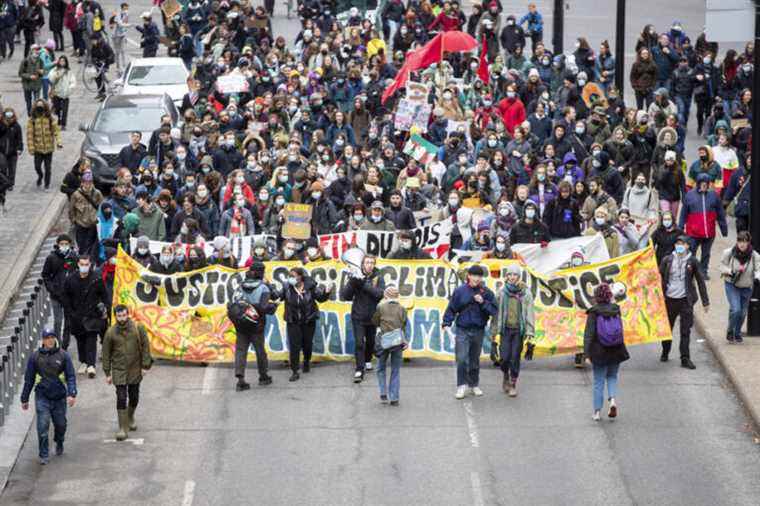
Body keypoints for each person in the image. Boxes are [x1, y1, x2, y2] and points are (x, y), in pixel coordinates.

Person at [20, 329, 77, 465]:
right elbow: (29, 379)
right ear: (43, 340)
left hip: (59, 397)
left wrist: (72, 393)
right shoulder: (35, 357)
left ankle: (59, 441)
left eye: (52, 337)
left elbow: (70, 376)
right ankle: (44, 454)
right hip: (42, 396)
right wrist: (24, 398)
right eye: (47, 338)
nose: (50, 340)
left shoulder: (63, 355)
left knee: (61, 424)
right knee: (42, 426)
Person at [443, 265, 497, 399]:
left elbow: (494, 311)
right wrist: (446, 322)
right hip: (462, 329)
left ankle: (473, 384)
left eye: (479, 276)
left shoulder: (487, 292)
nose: (477, 278)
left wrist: (483, 302)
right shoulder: (460, 291)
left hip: (478, 330)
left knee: (474, 360)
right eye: (474, 275)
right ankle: (461, 385)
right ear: (469, 276)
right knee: (461, 359)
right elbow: (452, 308)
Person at [102, 305, 152, 441]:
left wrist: (145, 366)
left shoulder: (138, 328)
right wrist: (107, 373)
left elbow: (146, 346)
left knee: (134, 396)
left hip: (135, 368)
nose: (122, 318)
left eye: (124, 315)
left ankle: (130, 417)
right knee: (121, 397)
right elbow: (105, 353)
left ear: (128, 314)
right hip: (119, 370)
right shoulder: (110, 333)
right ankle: (122, 428)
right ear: (115, 317)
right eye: (119, 316)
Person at [659, 235, 709, 369]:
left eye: (682, 244)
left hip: (686, 300)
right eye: (677, 243)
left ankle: (685, 358)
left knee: (685, 330)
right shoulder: (667, 260)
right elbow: (658, 277)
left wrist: (705, 301)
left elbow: (700, 281)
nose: (679, 246)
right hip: (669, 300)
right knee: (667, 329)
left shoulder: (692, 261)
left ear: (687, 246)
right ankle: (665, 351)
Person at [227, 263, 276, 391]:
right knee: (260, 350)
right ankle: (263, 376)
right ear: (261, 273)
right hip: (256, 325)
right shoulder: (263, 288)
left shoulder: (240, 286)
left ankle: (240, 379)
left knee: (241, 351)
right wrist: (273, 307)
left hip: (241, 325)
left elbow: (234, 303)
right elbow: (263, 307)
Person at [583, 283, 629, 422]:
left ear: (596, 297)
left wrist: (586, 354)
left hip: (599, 351)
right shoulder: (616, 309)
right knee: (612, 376)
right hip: (616, 349)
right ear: (610, 295)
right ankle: (613, 400)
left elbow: (589, 334)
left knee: (598, 382)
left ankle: (597, 412)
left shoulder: (594, 312)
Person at [277, 267, 332, 381]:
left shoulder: (310, 287)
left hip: (308, 320)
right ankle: (295, 370)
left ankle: (306, 360)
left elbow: (320, 298)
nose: (291, 278)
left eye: (294, 276)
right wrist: (268, 286)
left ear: (300, 277)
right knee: (294, 346)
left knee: (307, 344)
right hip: (293, 321)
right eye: (290, 276)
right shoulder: (287, 287)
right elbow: (277, 296)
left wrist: (327, 292)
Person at [490, 263, 534, 398]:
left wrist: (530, 332)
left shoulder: (525, 293)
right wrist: (494, 331)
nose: (512, 277)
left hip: (518, 331)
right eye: (510, 274)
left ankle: (513, 383)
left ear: (519, 276)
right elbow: (495, 312)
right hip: (505, 330)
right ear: (507, 276)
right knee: (504, 358)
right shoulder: (502, 293)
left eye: (515, 274)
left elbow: (529, 313)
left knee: (515, 358)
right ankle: (505, 375)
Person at [340, 254, 385, 383]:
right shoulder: (356, 277)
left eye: (372, 262)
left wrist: (363, 284)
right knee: (360, 343)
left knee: (370, 342)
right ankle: (359, 369)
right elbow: (346, 296)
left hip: (373, 316)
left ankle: (367, 359)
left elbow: (378, 294)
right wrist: (353, 282)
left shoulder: (378, 277)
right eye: (367, 262)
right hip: (358, 316)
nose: (369, 265)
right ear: (362, 264)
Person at [62, 255, 108, 377]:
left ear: (90, 265)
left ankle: (91, 365)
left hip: (92, 314)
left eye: (86, 264)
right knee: (80, 340)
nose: (84, 267)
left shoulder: (96, 279)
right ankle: (83, 361)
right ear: (78, 265)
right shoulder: (70, 280)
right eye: (82, 264)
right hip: (76, 316)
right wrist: (70, 312)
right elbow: (65, 297)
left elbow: (104, 294)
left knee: (91, 339)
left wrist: (105, 308)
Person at [679, 172, 728, 279]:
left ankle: (703, 271)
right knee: (691, 253)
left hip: (709, 233)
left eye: (706, 184)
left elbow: (720, 213)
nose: (704, 186)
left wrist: (724, 229)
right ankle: (690, 271)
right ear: (698, 184)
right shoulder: (690, 195)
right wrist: (680, 227)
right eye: (702, 184)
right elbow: (683, 213)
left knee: (706, 254)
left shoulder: (714, 196)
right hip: (693, 232)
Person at [720, 231, 760, 343]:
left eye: (744, 241)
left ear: (748, 243)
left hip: (747, 287)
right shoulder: (729, 252)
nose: (742, 244)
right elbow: (722, 266)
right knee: (736, 309)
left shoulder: (754, 256)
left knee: (742, 313)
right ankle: (730, 331)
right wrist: (730, 271)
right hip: (731, 284)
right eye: (739, 241)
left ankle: (737, 333)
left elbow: (758, 269)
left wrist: (757, 277)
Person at [371, 285, 409, 406]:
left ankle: (383, 393)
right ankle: (394, 397)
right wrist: (405, 341)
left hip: (384, 341)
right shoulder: (403, 309)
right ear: (397, 296)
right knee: (395, 370)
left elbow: (375, 321)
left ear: (386, 295)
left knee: (381, 368)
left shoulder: (380, 307)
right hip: (397, 341)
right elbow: (403, 326)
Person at [42, 234, 78, 350]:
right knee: (58, 321)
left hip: (69, 295)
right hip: (56, 295)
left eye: (66, 244)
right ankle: (57, 343)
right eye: (61, 244)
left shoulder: (73, 257)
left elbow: (77, 272)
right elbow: (45, 275)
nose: (64, 246)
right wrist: (52, 289)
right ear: (57, 245)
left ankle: (64, 345)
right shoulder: (51, 258)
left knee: (68, 322)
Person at [27, 99, 62, 190]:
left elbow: (56, 131)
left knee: (48, 168)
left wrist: (59, 142)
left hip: (48, 148)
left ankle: (47, 184)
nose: (40, 108)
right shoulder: (32, 120)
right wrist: (31, 147)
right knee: (37, 166)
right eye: (38, 106)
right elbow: (30, 134)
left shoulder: (50, 118)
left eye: (41, 106)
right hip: (38, 149)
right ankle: (40, 176)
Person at [69, 171, 104, 258]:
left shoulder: (97, 193)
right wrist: (74, 221)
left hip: (93, 224)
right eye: (86, 183)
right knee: (82, 247)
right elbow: (71, 210)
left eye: (90, 182)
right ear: (82, 183)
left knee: (92, 247)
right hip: (81, 225)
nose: (88, 185)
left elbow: (102, 207)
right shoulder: (76, 195)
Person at [48, 55, 75, 129]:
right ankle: (59, 119)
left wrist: (70, 88)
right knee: (58, 109)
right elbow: (50, 78)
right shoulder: (55, 70)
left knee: (65, 110)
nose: (62, 62)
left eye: (64, 61)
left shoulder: (69, 71)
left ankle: (63, 124)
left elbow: (73, 81)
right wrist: (55, 76)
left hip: (65, 94)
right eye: (61, 61)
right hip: (57, 93)